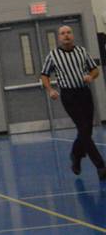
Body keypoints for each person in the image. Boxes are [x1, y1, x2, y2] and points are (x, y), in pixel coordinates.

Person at [41, 25, 106, 179]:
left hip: (84, 93)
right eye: (63, 33)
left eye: (69, 32)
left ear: (73, 35)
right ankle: (101, 166)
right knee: (83, 129)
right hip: (69, 96)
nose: (66, 36)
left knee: (87, 131)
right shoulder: (53, 55)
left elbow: (95, 69)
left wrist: (91, 76)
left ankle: (76, 155)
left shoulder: (82, 51)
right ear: (59, 37)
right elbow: (44, 75)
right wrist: (50, 89)